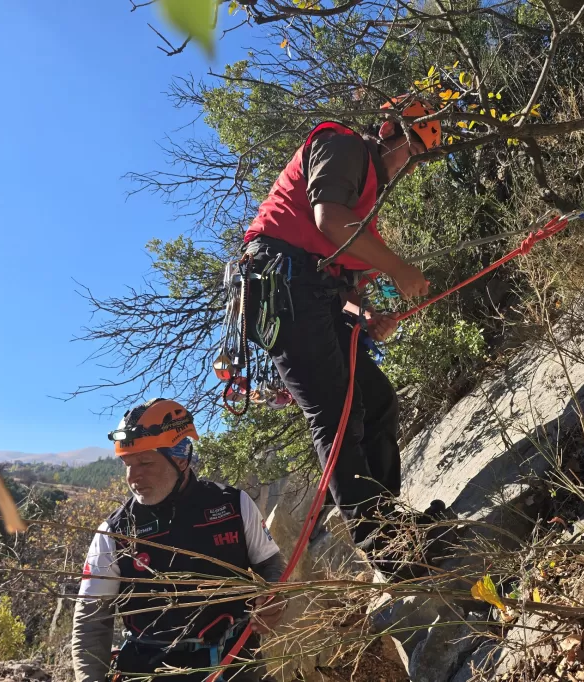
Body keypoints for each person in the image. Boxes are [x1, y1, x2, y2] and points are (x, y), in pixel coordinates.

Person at [240, 96, 448, 554]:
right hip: (282, 288)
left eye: (419, 157)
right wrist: (397, 267)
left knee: (375, 402)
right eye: (411, 150)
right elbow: (327, 219)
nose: (409, 166)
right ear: (390, 131)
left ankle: (392, 526)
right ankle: (389, 550)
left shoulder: (365, 197)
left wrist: (367, 316)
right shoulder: (343, 145)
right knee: (335, 416)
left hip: (308, 295)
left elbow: (341, 285)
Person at [72, 398, 285, 682]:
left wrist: (273, 595)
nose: (133, 476)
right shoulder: (115, 532)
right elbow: (91, 621)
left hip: (234, 664)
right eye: (127, 464)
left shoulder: (234, 506)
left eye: (145, 462)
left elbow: (270, 562)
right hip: (151, 670)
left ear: (181, 457)